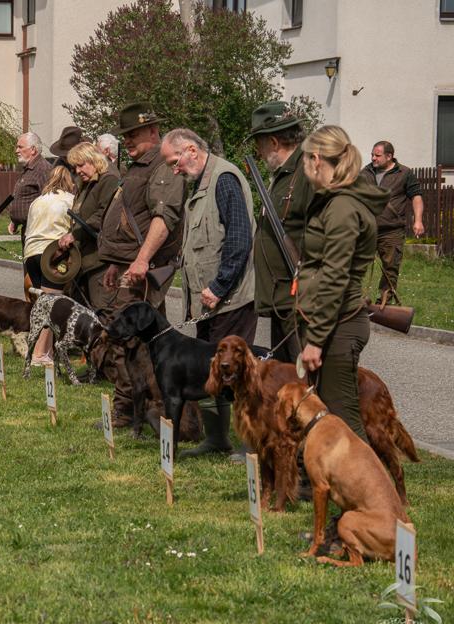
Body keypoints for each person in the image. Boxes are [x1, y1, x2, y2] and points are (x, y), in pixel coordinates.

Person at [161, 128, 256, 459]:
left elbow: (239, 238)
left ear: (190, 150)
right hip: (210, 303)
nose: (175, 170)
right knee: (212, 373)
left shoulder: (224, 178)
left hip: (230, 300)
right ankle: (218, 439)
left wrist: (218, 286)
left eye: (175, 162)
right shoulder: (202, 182)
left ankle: (250, 443)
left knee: (238, 376)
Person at [93, 103, 186, 425]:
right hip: (130, 267)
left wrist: (142, 260)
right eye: (125, 135)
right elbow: (130, 221)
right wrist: (115, 264)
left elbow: (164, 217)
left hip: (142, 272)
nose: (128, 141)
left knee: (124, 338)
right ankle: (154, 407)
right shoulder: (139, 165)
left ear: (153, 130)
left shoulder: (161, 166)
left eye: (133, 134)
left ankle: (125, 410)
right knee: (154, 344)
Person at [298, 125, 388, 441]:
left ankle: (369, 489)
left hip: (338, 326)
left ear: (317, 159)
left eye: (305, 160)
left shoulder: (341, 207)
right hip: (332, 323)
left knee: (344, 425)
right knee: (325, 419)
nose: (304, 168)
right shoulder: (336, 201)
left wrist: (316, 340)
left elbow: (335, 276)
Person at [248, 101, 314, 363]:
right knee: (287, 380)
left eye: (260, 143)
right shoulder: (284, 175)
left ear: (274, 142)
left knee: (305, 381)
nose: (258, 151)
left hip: (299, 301)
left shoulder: (307, 173)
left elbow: (319, 235)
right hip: (281, 300)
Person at [359, 141, 425, 303]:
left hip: (391, 230)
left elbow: (416, 197)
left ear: (389, 156)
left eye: (377, 155)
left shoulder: (404, 173)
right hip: (366, 229)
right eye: (372, 155)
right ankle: (353, 300)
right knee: (356, 264)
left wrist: (418, 221)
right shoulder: (365, 173)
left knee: (390, 268)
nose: (373, 158)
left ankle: (384, 304)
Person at [23, 164, 76, 363]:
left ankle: (45, 351)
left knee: (41, 304)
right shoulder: (70, 200)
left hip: (31, 254)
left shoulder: (37, 201)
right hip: (52, 254)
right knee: (51, 305)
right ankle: (41, 353)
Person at [58, 142, 119, 306]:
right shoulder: (85, 184)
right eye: (75, 167)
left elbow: (104, 215)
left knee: (101, 312)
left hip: (99, 262)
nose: (77, 171)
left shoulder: (109, 180)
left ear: (93, 160)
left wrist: (74, 234)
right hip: (82, 260)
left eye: (81, 165)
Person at [8, 132, 52, 244]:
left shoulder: (43, 170)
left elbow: (50, 202)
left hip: (39, 233)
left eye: (20, 147)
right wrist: (15, 220)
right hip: (28, 229)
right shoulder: (30, 169)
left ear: (33, 150)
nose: (16, 151)